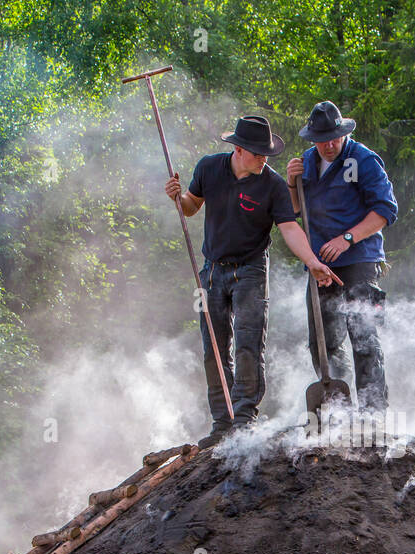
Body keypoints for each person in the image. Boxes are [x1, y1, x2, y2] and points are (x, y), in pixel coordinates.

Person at [164, 115, 340, 448]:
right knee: (213, 348)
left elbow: (289, 228)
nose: (264, 159)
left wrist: (313, 261)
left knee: (248, 344)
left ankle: (244, 420)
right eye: (259, 154)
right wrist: (177, 197)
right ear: (240, 150)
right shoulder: (209, 168)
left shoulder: (272, 185)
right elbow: (190, 206)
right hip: (212, 271)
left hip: (251, 270)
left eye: (267, 153)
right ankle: (222, 422)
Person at [284, 102, 398, 412]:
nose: (330, 145)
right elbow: (295, 211)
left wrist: (348, 238)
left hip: (360, 259)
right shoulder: (307, 161)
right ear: (312, 139)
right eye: (323, 140)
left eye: (335, 138)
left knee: (364, 338)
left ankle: (374, 413)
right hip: (321, 265)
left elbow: (386, 210)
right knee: (323, 342)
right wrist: (292, 183)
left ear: (343, 133)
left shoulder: (363, 159)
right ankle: (338, 410)